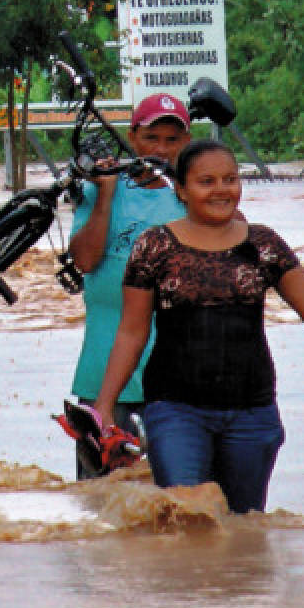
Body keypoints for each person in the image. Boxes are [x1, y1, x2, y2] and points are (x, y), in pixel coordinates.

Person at [94, 139, 304, 513]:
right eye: (206, 181)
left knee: (243, 527)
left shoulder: (263, 245)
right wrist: (104, 405)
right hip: (175, 409)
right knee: (187, 518)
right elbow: (132, 332)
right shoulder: (154, 247)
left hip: (252, 411)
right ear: (181, 189)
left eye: (230, 179)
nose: (221, 190)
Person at [65, 93, 191, 478]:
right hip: (103, 369)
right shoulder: (101, 187)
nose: (161, 149)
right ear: (133, 138)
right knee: (99, 494)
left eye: (173, 140)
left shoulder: (193, 195)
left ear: (187, 144)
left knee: (177, 492)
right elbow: (84, 260)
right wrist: (104, 196)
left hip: (175, 373)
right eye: (152, 138)